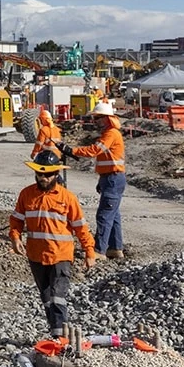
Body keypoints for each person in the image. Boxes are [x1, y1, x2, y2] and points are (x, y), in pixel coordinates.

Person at [10, 150, 96, 339]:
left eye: (48, 174)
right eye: (40, 174)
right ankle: (56, 332)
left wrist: (89, 251)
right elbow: (16, 220)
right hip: (36, 255)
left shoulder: (67, 198)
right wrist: (15, 237)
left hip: (60, 255)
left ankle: (60, 339)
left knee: (58, 296)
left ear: (56, 174)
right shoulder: (27, 194)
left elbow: (81, 227)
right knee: (47, 297)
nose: (43, 178)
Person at [60, 100, 125, 259]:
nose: (95, 121)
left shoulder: (111, 134)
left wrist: (71, 150)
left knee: (104, 215)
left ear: (106, 118)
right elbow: (106, 159)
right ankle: (115, 248)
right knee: (113, 215)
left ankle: (98, 250)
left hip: (113, 178)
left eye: (98, 118)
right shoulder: (108, 134)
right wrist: (101, 180)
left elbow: (96, 150)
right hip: (110, 178)